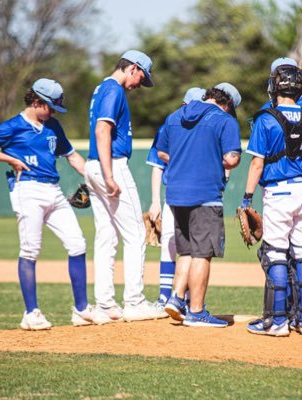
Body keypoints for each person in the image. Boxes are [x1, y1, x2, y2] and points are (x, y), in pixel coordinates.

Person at [0, 78, 93, 330]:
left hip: (52, 189)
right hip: (27, 188)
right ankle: (31, 313)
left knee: (77, 244)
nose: (53, 112)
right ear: (36, 101)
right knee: (30, 250)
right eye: (50, 107)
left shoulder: (53, 126)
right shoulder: (13, 126)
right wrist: (9, 159)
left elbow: (72, 156)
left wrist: (93, 177)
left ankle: (81, 310)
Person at [85, 50, 168, 324]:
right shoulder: (113, 90)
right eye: (141, 78)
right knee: (135, 233)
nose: (138, 86)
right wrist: (110, 175)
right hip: (112, 165)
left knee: (106, 236)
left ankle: (105, 304)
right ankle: (134, 302)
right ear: (133, 68)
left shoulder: (101, 88)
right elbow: (102, 130)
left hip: (95, 165)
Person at [244, 64, 302, 337]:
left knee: (276, 253)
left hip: (278, 193)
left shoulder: (265, 118)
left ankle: (277, 322)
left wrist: (246, 198)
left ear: (275, 87)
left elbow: (257, 164)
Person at [157, 83, 242, 327]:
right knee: (203, 252)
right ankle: (196, 311)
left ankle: (177, 297)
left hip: (175, 193)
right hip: (205, 194)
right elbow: (230, 158)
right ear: (227, 104)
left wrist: (186, 160)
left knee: (187, 250)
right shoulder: (224, 120)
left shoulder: (174, 116)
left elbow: (162, 151)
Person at [146, 87, 206, 310]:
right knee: (170, 243)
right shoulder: (168, 127)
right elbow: (156, 166)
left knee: (194, 247)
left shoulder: (206, 128)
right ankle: (165, 298)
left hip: (199, 195)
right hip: (173, 194)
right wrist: (154, 201)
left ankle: (189, 299)